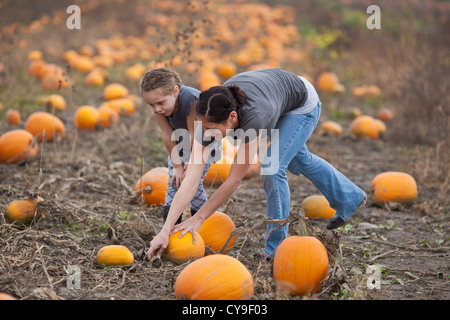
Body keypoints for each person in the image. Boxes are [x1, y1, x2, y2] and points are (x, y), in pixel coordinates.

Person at [146, 68, 366, 261]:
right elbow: (192, 177)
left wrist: (198, 218)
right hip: (274, 97)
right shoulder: (210, 116)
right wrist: (166, 230)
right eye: (204, 129)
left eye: (213, 130)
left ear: (232, 118)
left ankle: (275, 246)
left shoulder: (254, 119)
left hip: (300, 103)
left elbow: (233, 180)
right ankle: (349, 197)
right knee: (300, 159)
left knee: (272, 168)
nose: (208, 135)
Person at [140, 68, 218, 224]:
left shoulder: (191, 99)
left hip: (203, 144)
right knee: (174, 184)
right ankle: (170, 230)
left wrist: (189, 164)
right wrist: (177, 165)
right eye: (152, 105)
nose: (157, 109)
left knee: (191, 183)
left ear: (175, 91)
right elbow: (167, 134)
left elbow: (194, 135)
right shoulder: (159, 106)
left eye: (160, 103)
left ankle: (201, 225)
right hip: (181, 145)